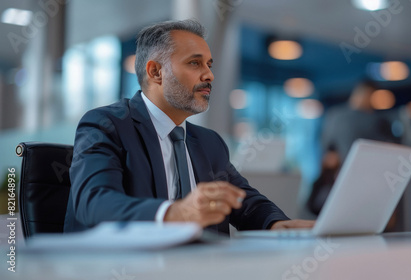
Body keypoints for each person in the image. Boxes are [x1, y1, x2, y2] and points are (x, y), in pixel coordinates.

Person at [64, 19, 313, 234]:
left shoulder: (209, 143)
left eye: (209, 65)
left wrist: (276, 224)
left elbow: (244, 201)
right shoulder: (106, 125)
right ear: (156, 72)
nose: (209, 75)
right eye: (195, 63)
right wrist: (174, 213)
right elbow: (94, 203)